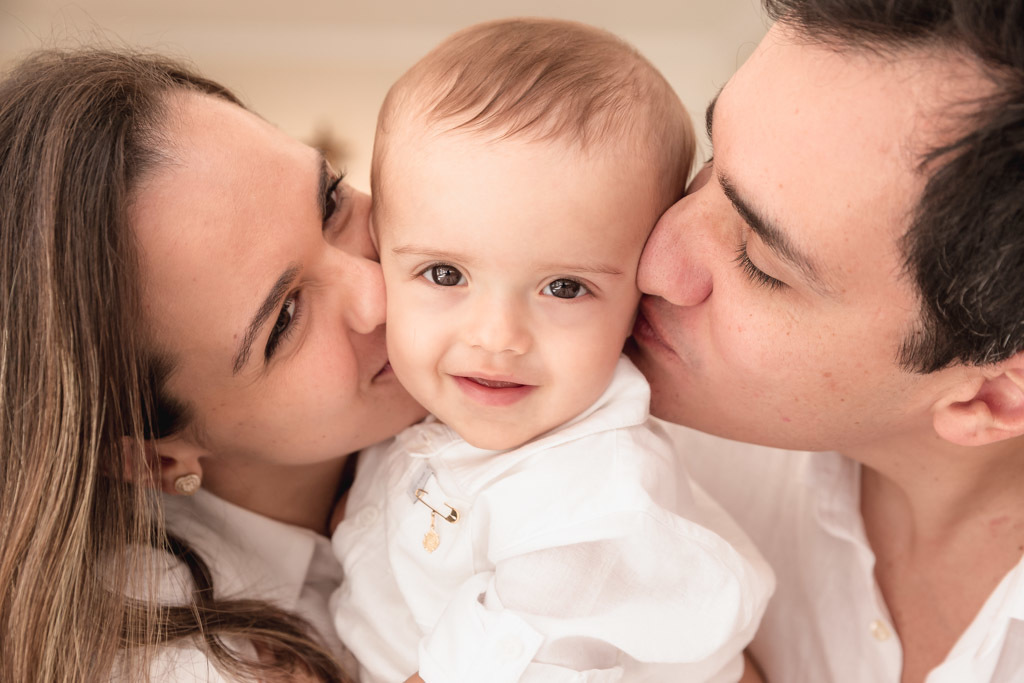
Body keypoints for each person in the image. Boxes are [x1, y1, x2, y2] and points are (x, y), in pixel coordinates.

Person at [331, 18, 773, 683]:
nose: (497, 336)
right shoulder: (422, 419)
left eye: (564, 287)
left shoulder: (596, 503)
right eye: (445, 274)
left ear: (639, 301)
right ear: (380, 253)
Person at [626, 0, 1024, 681]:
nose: (649, 260)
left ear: (990, 394)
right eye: (714, 155)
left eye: (760, 263)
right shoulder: (604, 422)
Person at [0, 49, 425, 681]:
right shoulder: (183, 665)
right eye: (283, 320)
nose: (379, 290)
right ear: (156, 459)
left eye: (332, 202)